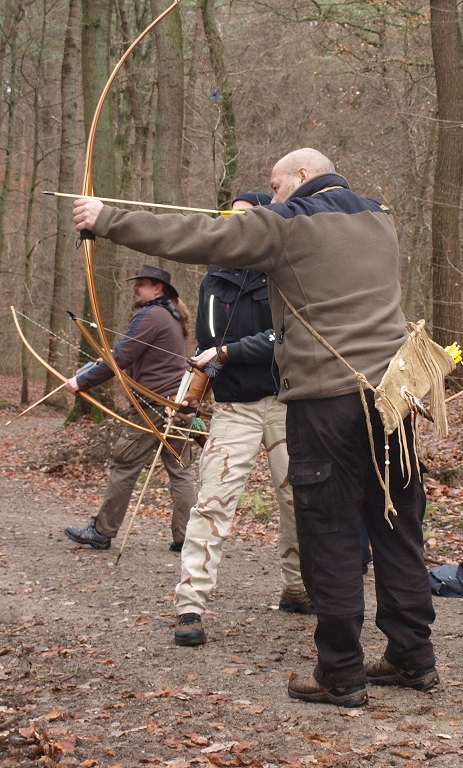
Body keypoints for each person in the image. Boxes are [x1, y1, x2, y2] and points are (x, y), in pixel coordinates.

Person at [73, 148, 437, 708]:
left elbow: (198, 236)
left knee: (331, 535)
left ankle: (340, 672)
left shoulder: (288, 225)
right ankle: (413, 656)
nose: (273, 195)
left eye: (277, 184)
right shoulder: (379, 217)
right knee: (396, 528)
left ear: (303, 176)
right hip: (393, 401)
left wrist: (106, 219)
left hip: (326, 404)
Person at [173, 191, 313, 649]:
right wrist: (192, 393)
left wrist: (228, 352)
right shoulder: (214, 277)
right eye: (228, 218)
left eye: (245, 218)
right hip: (234, 408)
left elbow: (288, 335)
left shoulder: (284, 269)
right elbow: (205, 343)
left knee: (297, 498)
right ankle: (190, 604)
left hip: (285, 402)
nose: (234, 225)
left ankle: (298, 587)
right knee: (212, 501)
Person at [64, 264, 196, 552]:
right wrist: (108, 357)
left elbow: (122, 359)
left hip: (153, 407)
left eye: (142, 284)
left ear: (157, 289)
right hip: (176, 404)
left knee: (124, 464)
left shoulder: (151, 315)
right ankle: (187, 538)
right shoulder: (169, 315)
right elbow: (132, 354)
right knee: (180, 470)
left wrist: (81, 382)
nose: (136, 288)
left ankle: (101, 531)